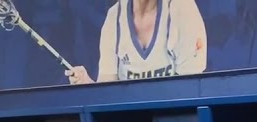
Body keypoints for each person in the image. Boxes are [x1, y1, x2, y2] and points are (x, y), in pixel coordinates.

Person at [66, 0, 207, 84]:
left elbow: (192, 87)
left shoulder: (183, 9)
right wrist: (88, 85)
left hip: (176, 119)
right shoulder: (114, 17)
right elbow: (108, 93)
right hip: (128, 120)